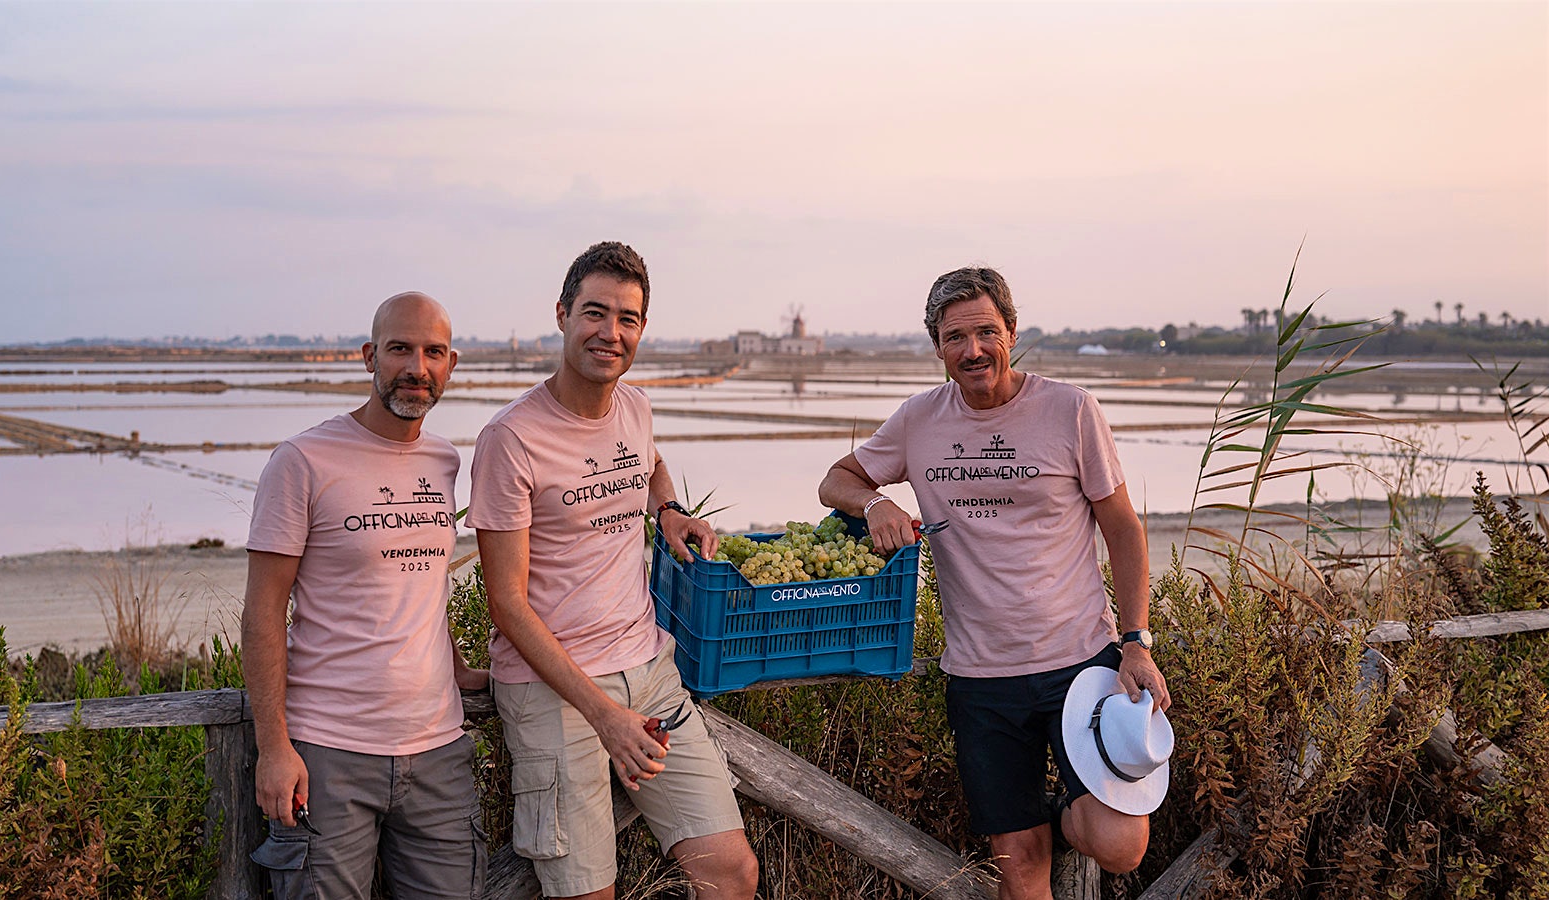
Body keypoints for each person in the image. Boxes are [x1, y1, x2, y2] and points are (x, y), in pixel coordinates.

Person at [818, 266, 1171, 900]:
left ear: (1011, 330)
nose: (973, 350)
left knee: (1121, 845)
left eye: (986, 331)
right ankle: (1030, 819)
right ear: (938, 348)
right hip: (980, 679)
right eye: (956, 337)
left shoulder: (1070, 409)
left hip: (1080, 667)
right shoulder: (919, 420)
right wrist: (875, 505)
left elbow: (1123, 528)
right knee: (1019, 864)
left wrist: (1137, 641)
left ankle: (1059, 807)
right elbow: (836, 480)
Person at [468, 242, 758, 900]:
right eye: (595, 313)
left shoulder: (634, 406)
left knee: (732, 872)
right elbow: (507, 605)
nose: (610, 332)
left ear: (641, 330)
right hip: (554, 688)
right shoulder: (511, 440)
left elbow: (647, 461)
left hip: (648, 671)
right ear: (564, 314)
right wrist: (603, 716)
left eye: (627, 318)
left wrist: (669, 508)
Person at [243, 291, 489, 899]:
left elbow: (421, 584)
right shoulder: (302, 460)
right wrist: (274, 746)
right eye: (400, 348)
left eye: (433, 352)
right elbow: (263, 613)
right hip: (328, 755)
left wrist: (459, 669)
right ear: (369, 357)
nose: (417, 367)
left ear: (451, 365)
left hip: (438, 752)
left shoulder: (444, 461)